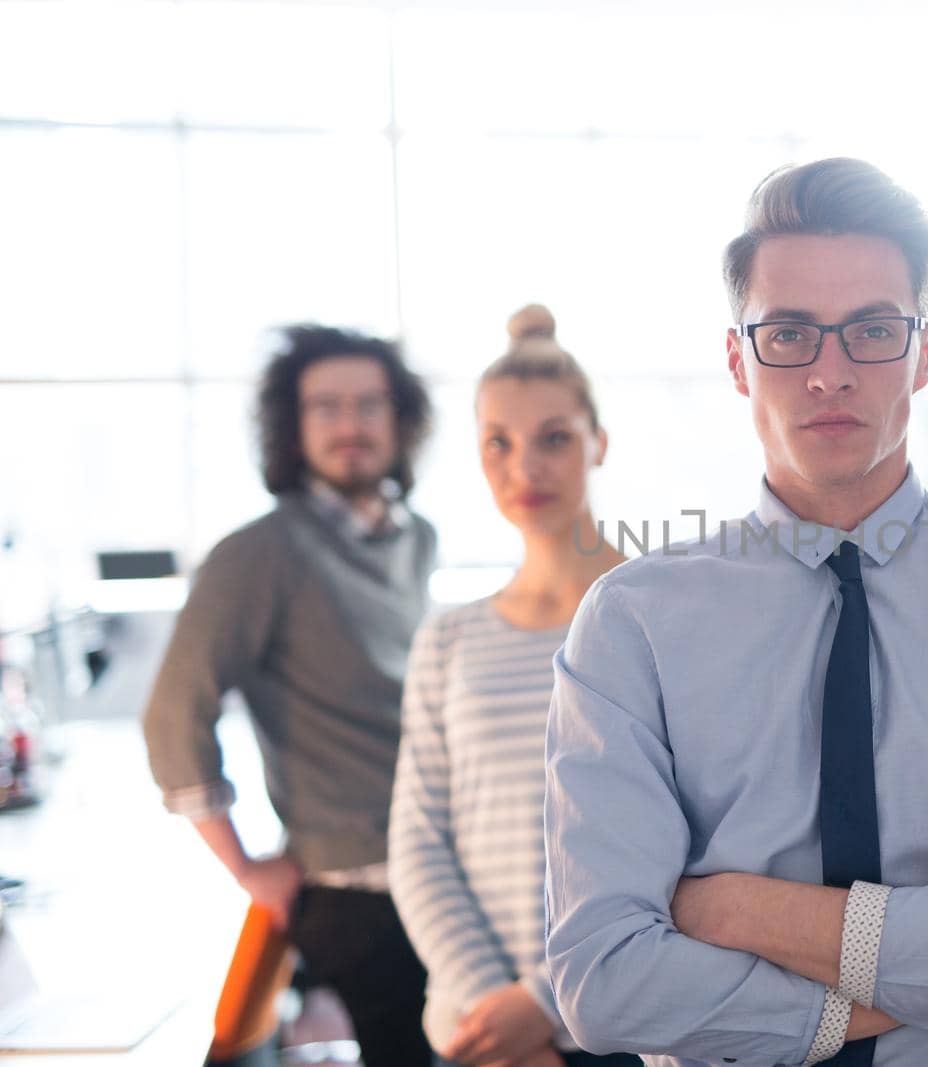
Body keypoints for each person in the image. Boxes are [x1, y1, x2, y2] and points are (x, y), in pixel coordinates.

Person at [542, 157, 928, 1067]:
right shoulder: (631, 623)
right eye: (788, 334)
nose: (830, 373)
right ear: (739, 358)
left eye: (871, 330)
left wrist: (731, 907)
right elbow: (606, 983)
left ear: (926, 351)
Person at [143, 324, 437, 1067]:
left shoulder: (413, 538)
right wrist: (245, 866)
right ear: (292, 424)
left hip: (438, 865)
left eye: (369, 404)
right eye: (326, 406)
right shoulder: (260, 553)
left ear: (399, 420)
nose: (350, 424)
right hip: (356, 891)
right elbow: (175, 715)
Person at [388, 307, 639, 1067]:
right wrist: (496, 1013)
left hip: (628, 1028)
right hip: (481, 1038)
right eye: (498, 442)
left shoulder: (659, 622)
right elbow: (417, 842)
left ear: (599, 441)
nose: (524, 468)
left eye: (554, 438)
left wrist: (544, 1001)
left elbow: (699, 840)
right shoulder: (449, 637)